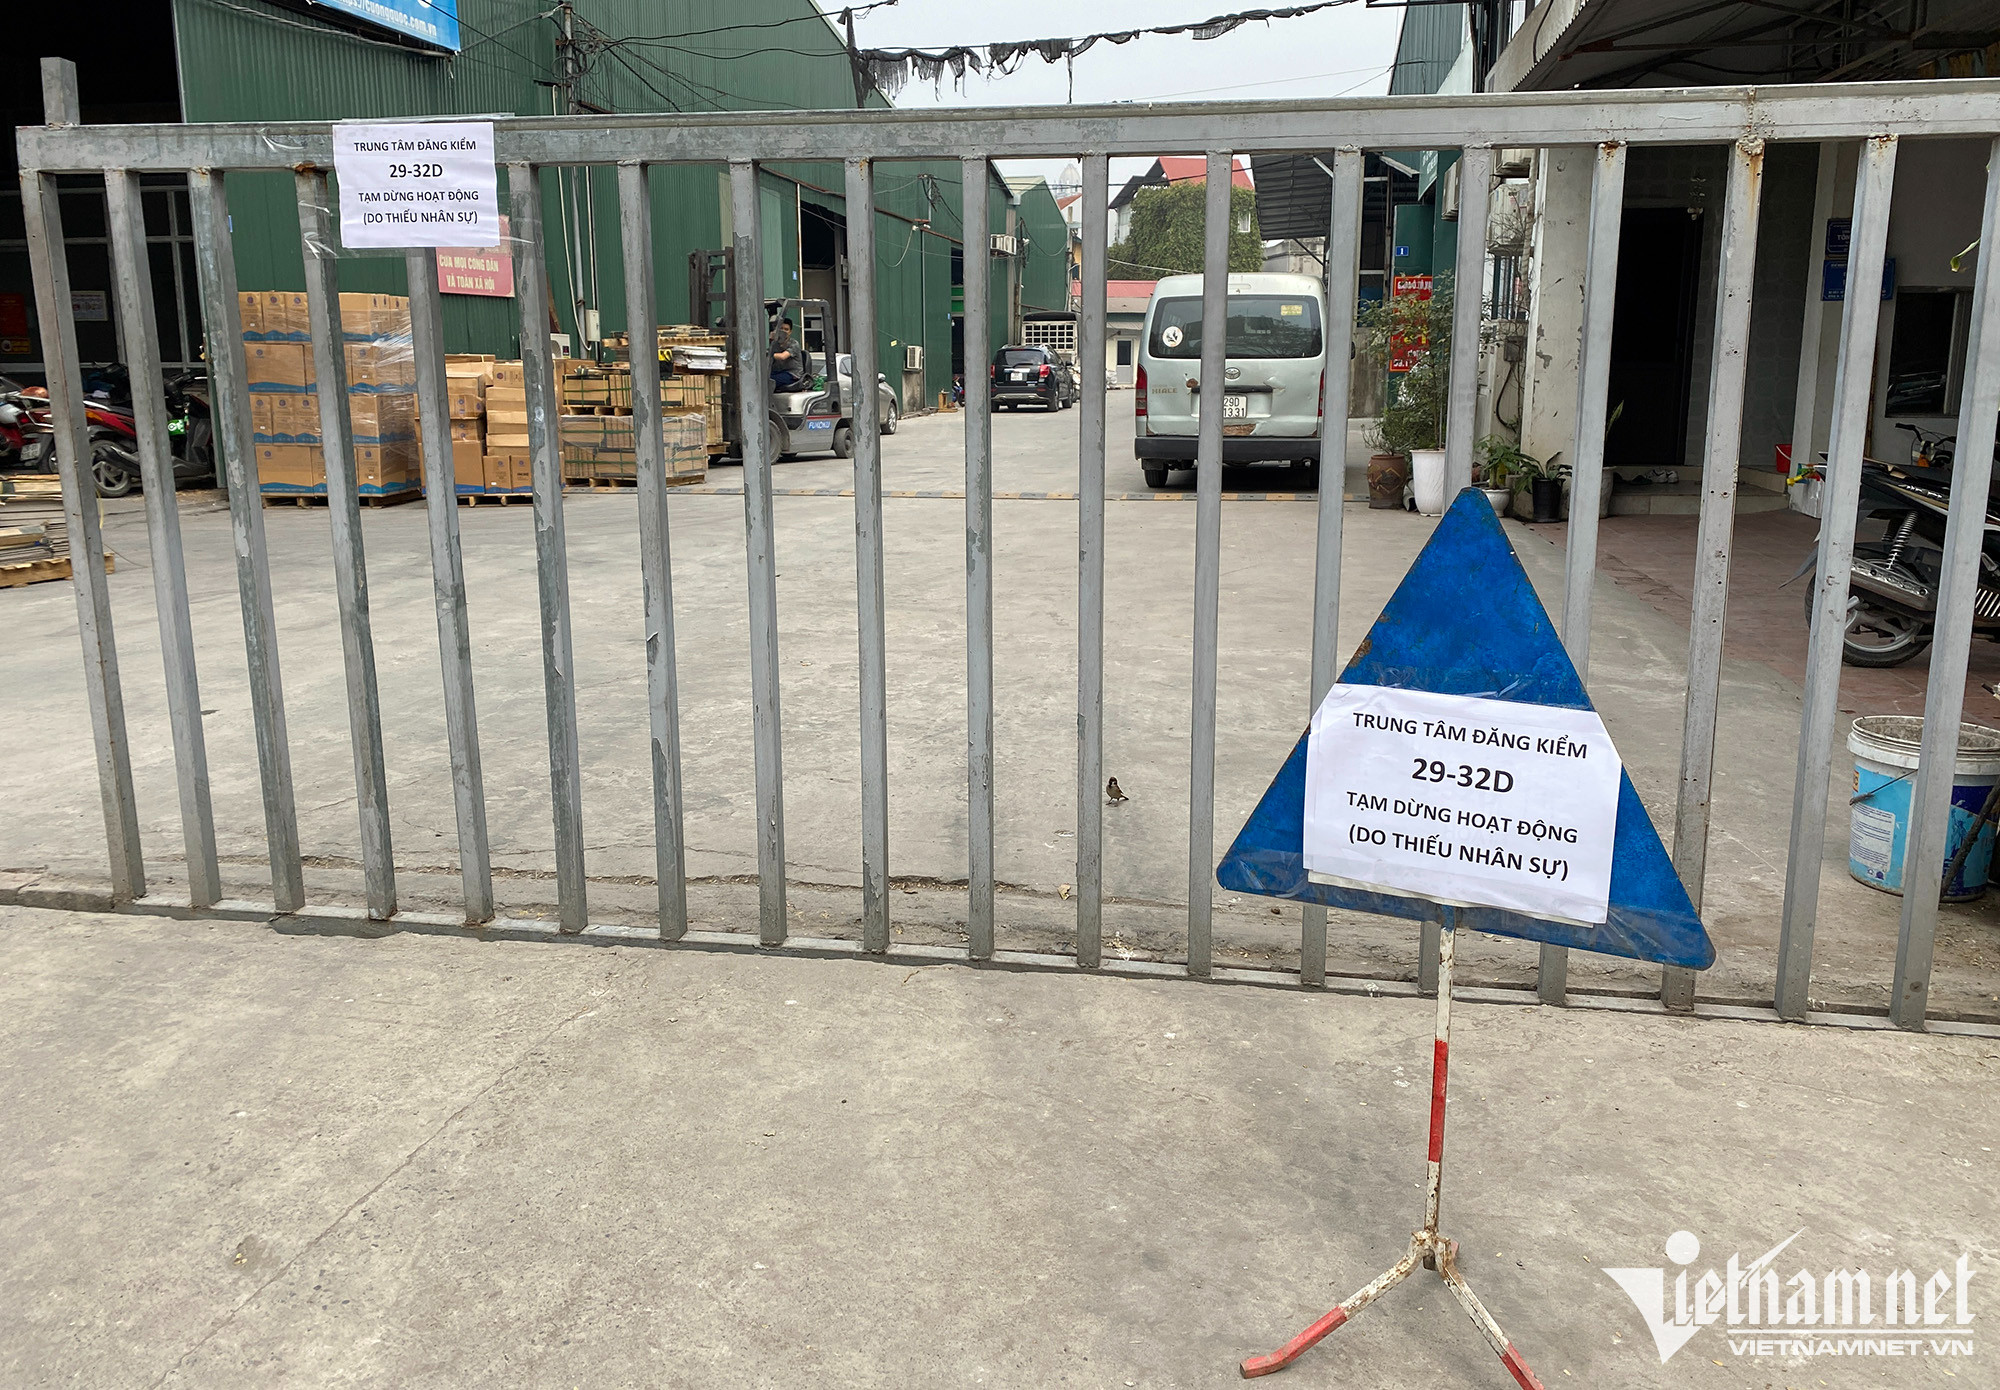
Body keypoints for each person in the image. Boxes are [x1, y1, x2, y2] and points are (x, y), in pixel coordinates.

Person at [770, 317, 803, 391]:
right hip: (779, 372)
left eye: (786, 329)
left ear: (790, 332)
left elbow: (783, 356)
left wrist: (766, 354)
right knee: (761, 377)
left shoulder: (794, 344)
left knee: (768, 380)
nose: (783, 331)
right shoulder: (775, 344)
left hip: (792, 374)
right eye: (781, 329)